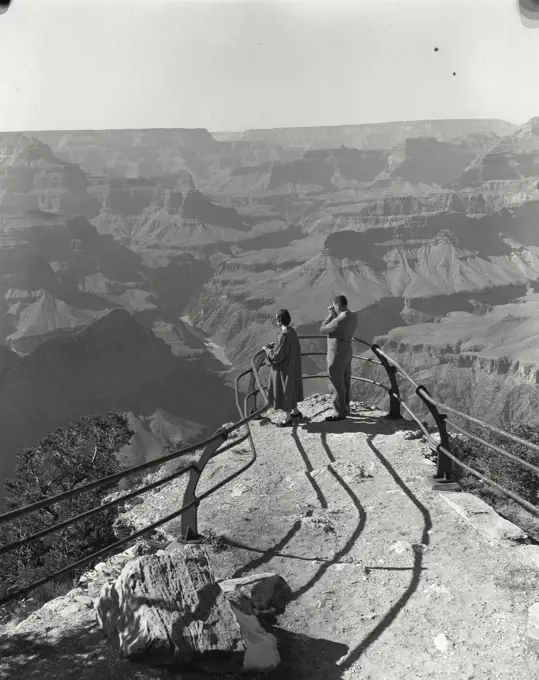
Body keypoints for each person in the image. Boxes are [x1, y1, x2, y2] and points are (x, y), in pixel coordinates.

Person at [262, 309, 304, 427]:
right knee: (291, 389)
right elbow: (286, 349)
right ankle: (295, 412)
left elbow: (276, 356)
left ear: (280, 321)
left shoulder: (283, 336)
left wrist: (267, 350)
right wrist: (276, 346)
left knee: (285, 390)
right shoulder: (292, 332)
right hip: (293, 367)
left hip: (284, 370)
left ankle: (288, 418)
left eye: (276, 319)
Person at [320, 294, 357, 421]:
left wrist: (330, 315)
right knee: (346, 380)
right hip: (347, 351)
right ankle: (346, 407)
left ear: (337, 305)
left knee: (336, 382)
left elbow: (322, 329)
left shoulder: (339, 320)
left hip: (336, 355)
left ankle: (339, 413)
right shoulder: (353, 315)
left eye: (334, 306)